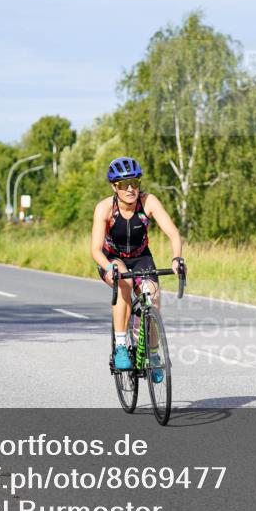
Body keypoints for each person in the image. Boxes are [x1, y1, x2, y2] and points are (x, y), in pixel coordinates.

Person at [90, 156, 184, 381]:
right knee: (125, 282)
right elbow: (95, 249)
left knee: (152, 293)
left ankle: (152, 353)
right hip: (113, 258)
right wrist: (109, 267)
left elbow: (173, 233)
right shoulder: (104, 208)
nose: (131, 188)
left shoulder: (149, 201)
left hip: (141, 258)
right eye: (124, 185)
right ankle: (121, 346)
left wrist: (177, 258)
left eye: (134, 182)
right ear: (115, 187)